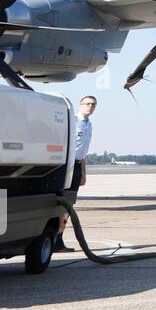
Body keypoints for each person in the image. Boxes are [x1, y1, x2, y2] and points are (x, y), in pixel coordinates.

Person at [56, 95, 96, 251]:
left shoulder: (89, 125)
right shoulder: (72, 121)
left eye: (93, 104)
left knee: (69, 204)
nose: (90, 107)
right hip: (68, 166)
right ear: (80, 105)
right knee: (63, 203)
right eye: (87, 104)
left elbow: (83, 152)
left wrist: (84, 173)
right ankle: (56, 239)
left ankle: (58, 239)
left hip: (78, 166)